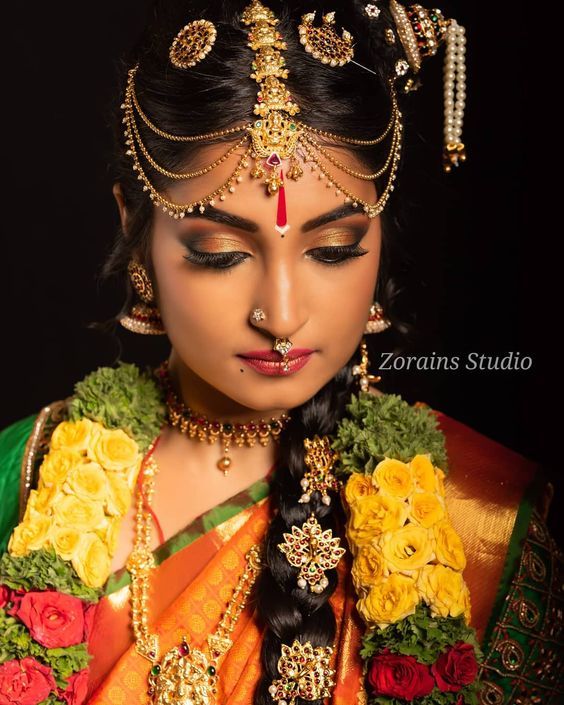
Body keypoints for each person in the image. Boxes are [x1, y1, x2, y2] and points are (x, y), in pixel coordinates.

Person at [0, 2, 561, 705]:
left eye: (333, 250)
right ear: (137, 237)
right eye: (220, 253)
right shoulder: (23, 477)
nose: (283, 314)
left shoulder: (479, 522)